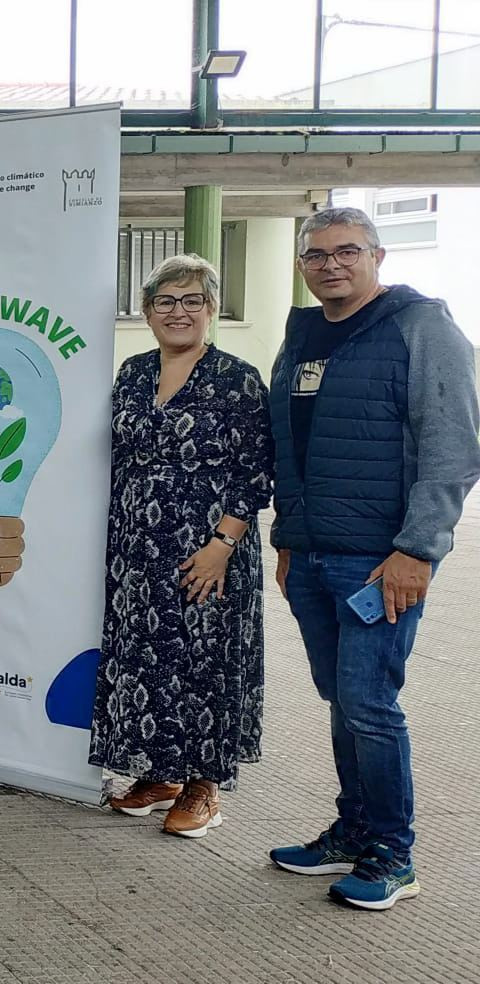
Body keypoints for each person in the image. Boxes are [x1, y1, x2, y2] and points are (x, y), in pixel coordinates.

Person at [265, 207, 480, 911]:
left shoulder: (423, 328)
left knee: (368, 702)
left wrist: (418, 550)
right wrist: (291, 539)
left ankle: (394, 854)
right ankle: (354, 830)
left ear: (377, 256)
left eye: (348, 251)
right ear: (302, 265)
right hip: (313, 554)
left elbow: (452, 448)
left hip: (381, 561)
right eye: (317, 254)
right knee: (342, 700)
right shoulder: (299, 336)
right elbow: (289, 446)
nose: (332, 264)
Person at [92, 254, 273, 839]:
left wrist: (223, 543)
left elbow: (255, 471)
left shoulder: (237, 377)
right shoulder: (133, 372)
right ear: (146, 313)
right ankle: (163, 774)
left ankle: (204, 787)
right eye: (165, 302)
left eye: (192, 300)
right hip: (136, 551)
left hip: (208, 551)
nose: (178, 312)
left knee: (205, 665)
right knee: (147, 659)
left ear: (211, 309)